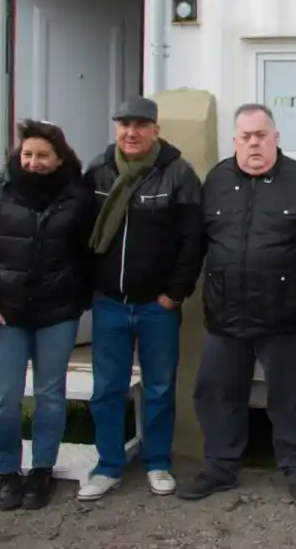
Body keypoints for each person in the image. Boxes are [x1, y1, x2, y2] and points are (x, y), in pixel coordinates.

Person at [176, 104, 296, 507]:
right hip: (225, 316)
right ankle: (219, 468)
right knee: (217, 394)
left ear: (276, 137)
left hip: (284, 317)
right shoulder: (215, 181)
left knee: (293, 400)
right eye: (245, 136)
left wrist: (290, 278)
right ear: (235, 140)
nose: (254, 143)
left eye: (261, 135)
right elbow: (200, 240)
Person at [0, 120, 96, 511]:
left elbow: (89, 251)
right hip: (5, 315)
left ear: (58, 159)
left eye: (42, 155)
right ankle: (6, 471)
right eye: (27, 154)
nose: (33, 162)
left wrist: (79, 297)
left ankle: (41, 470)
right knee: (4, 397)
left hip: (57, 314)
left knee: (50, 396)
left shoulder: (77, 196)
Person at [78, 96, 207, 502]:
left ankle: (157, 462)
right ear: (116, 128)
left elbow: (193, 241)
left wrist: (175, 294)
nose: (131, 133)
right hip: (110, 303)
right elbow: (80, 233)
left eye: (140, 125)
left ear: (155, 130)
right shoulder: (97, 172)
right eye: (123, 125)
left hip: (158, 307)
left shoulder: (179, 174)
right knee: (107, 388)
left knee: (158, 388)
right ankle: (108, 466)